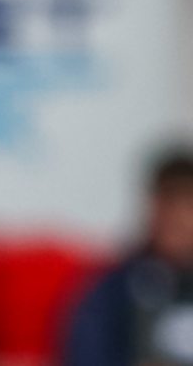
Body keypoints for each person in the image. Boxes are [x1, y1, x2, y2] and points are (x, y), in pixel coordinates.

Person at [64, 144, 193, 365]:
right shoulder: (114, 287)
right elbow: (86, 353)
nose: (176, 217)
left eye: (187, 204)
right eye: (167, 202)